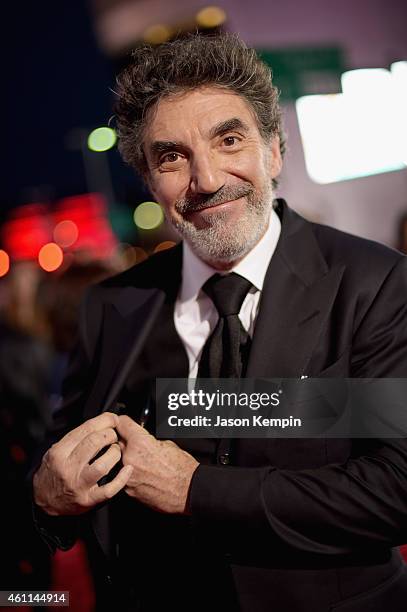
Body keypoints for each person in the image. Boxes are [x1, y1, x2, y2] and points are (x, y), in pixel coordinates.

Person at [32, 34, 407, 611]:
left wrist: (196, 490)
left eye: (228, 140)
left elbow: (394, 489)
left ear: (274, 150)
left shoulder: (374, 283)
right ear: (149, 180)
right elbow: (60, 475)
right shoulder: (111, 306)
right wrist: (48, 499)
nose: (206, 180)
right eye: (172, 156)